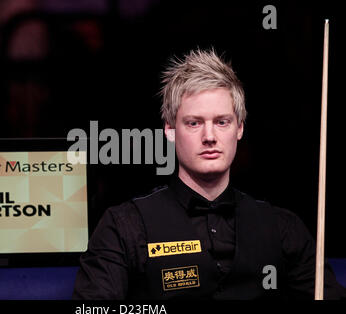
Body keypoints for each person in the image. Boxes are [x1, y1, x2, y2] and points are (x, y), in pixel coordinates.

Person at [72, 48, 346, 300]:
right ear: (169, 130)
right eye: (194, 123)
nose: (210, 137)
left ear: (239, 128)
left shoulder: (283, 228)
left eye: (222, 122)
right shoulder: (123, 227)